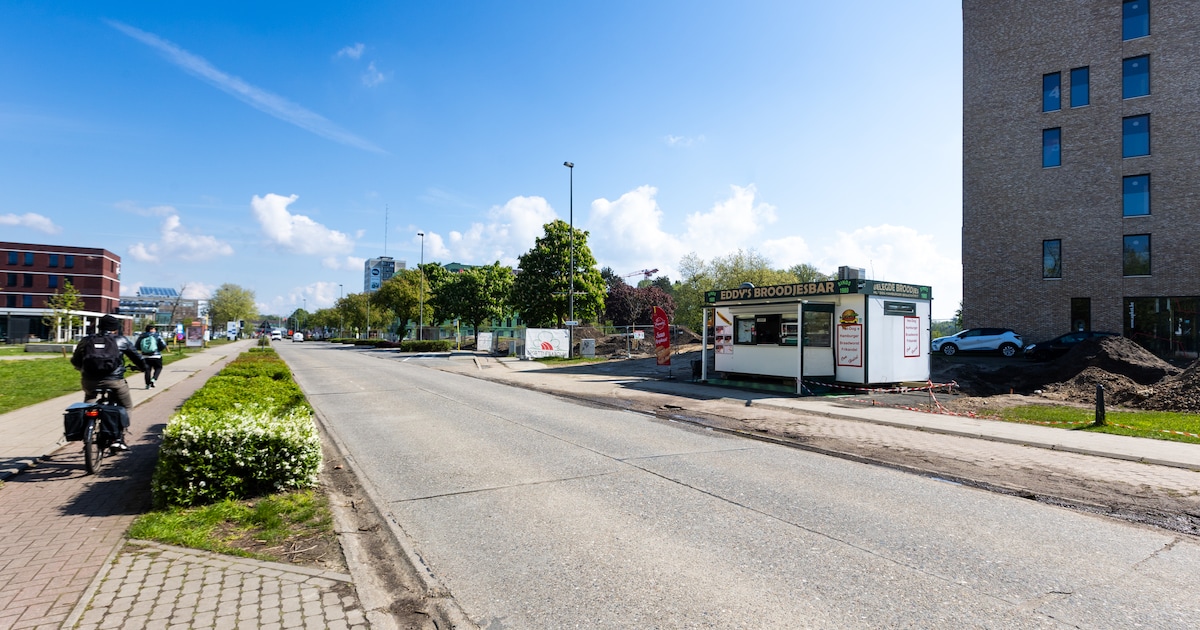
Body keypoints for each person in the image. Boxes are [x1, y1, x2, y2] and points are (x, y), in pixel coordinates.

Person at [70, 315, 148, 451]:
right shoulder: (121, 340)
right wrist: (143, 368)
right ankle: (118, 438)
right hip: (114, 381)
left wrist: (82, 369)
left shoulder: (87, 340)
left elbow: (75, 360)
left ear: (99, 327)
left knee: (89, 400)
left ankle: (85, 432)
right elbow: (137, 357)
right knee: (126, 406)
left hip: (89, 381)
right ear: (115, 329)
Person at [135, 323, 168, 389]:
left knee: (147, 370)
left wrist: (144, 350)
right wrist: (158, 350)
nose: (155, 330)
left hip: (145, 356)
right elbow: (163, 344)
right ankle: (153, 379)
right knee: (158, 367)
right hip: (156, 356)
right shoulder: (157, 336)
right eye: (154, 329)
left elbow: (137, 346)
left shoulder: (141, 336)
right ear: (152, 329)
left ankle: (147, 385)